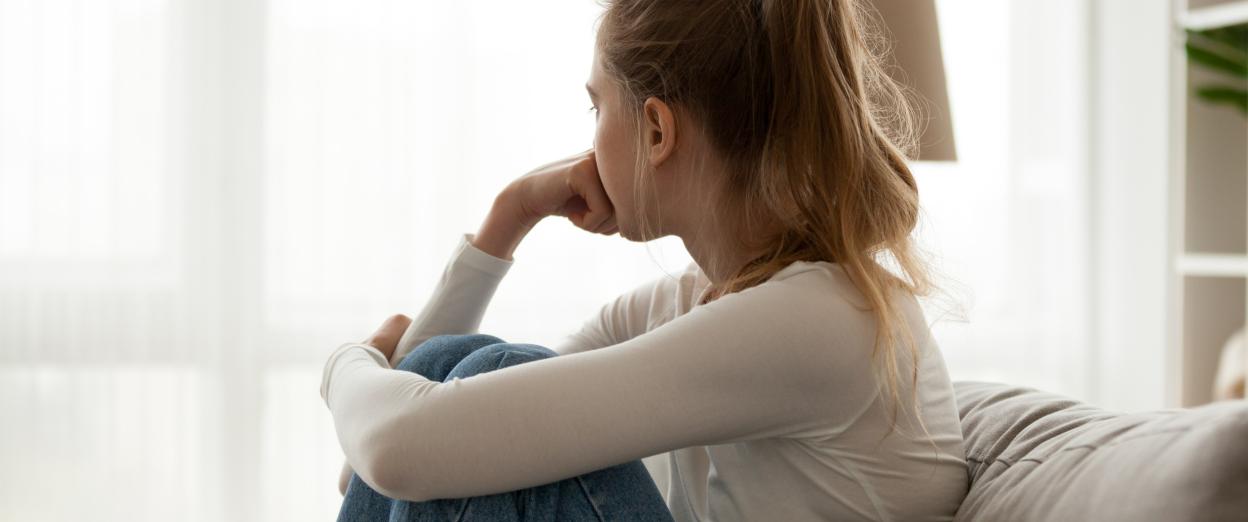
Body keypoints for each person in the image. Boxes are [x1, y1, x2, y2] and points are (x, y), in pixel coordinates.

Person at [320, 0, 970, 520]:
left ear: (657, 131)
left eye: (597, 106)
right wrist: (509, 216)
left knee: (496, 370)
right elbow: (385, 461)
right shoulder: (690, 304)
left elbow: (395, 447)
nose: (590, 136)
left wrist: (346, 364)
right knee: (461, 372)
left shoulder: (820, 319)